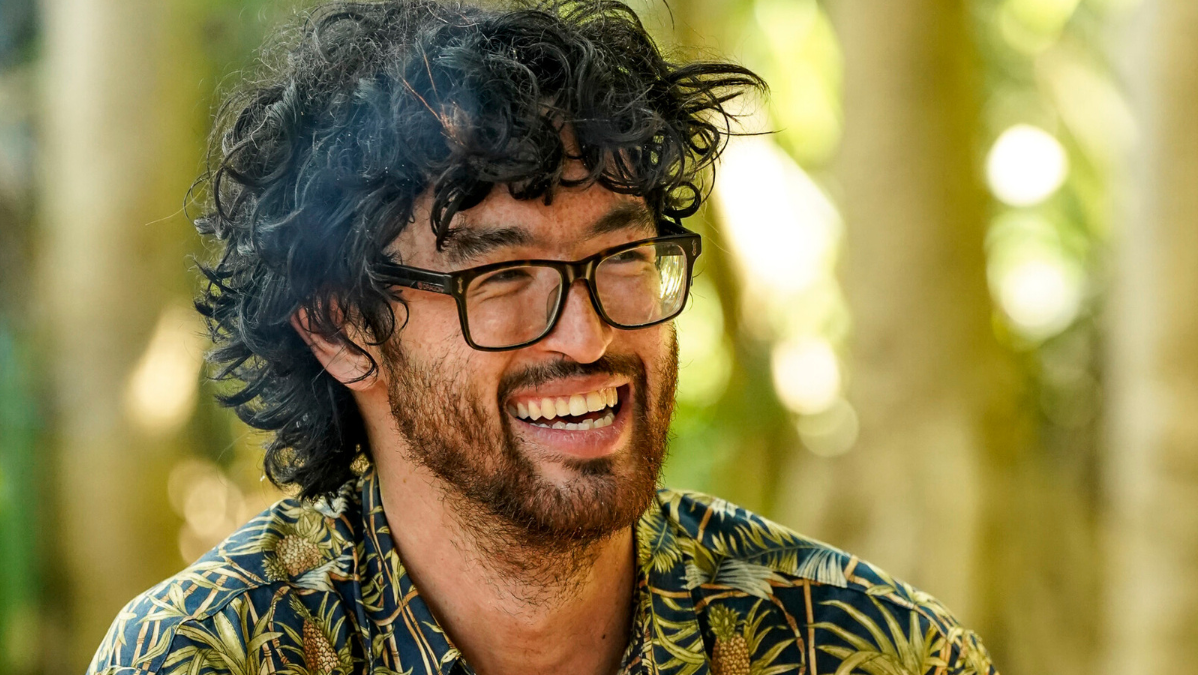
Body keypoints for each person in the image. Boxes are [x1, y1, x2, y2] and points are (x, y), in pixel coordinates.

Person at [88, 1, 997, 674]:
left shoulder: (868, 650)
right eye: (502, 276)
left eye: (622, 255)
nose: (589, 330)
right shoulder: (206, 656)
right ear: (340, 327)